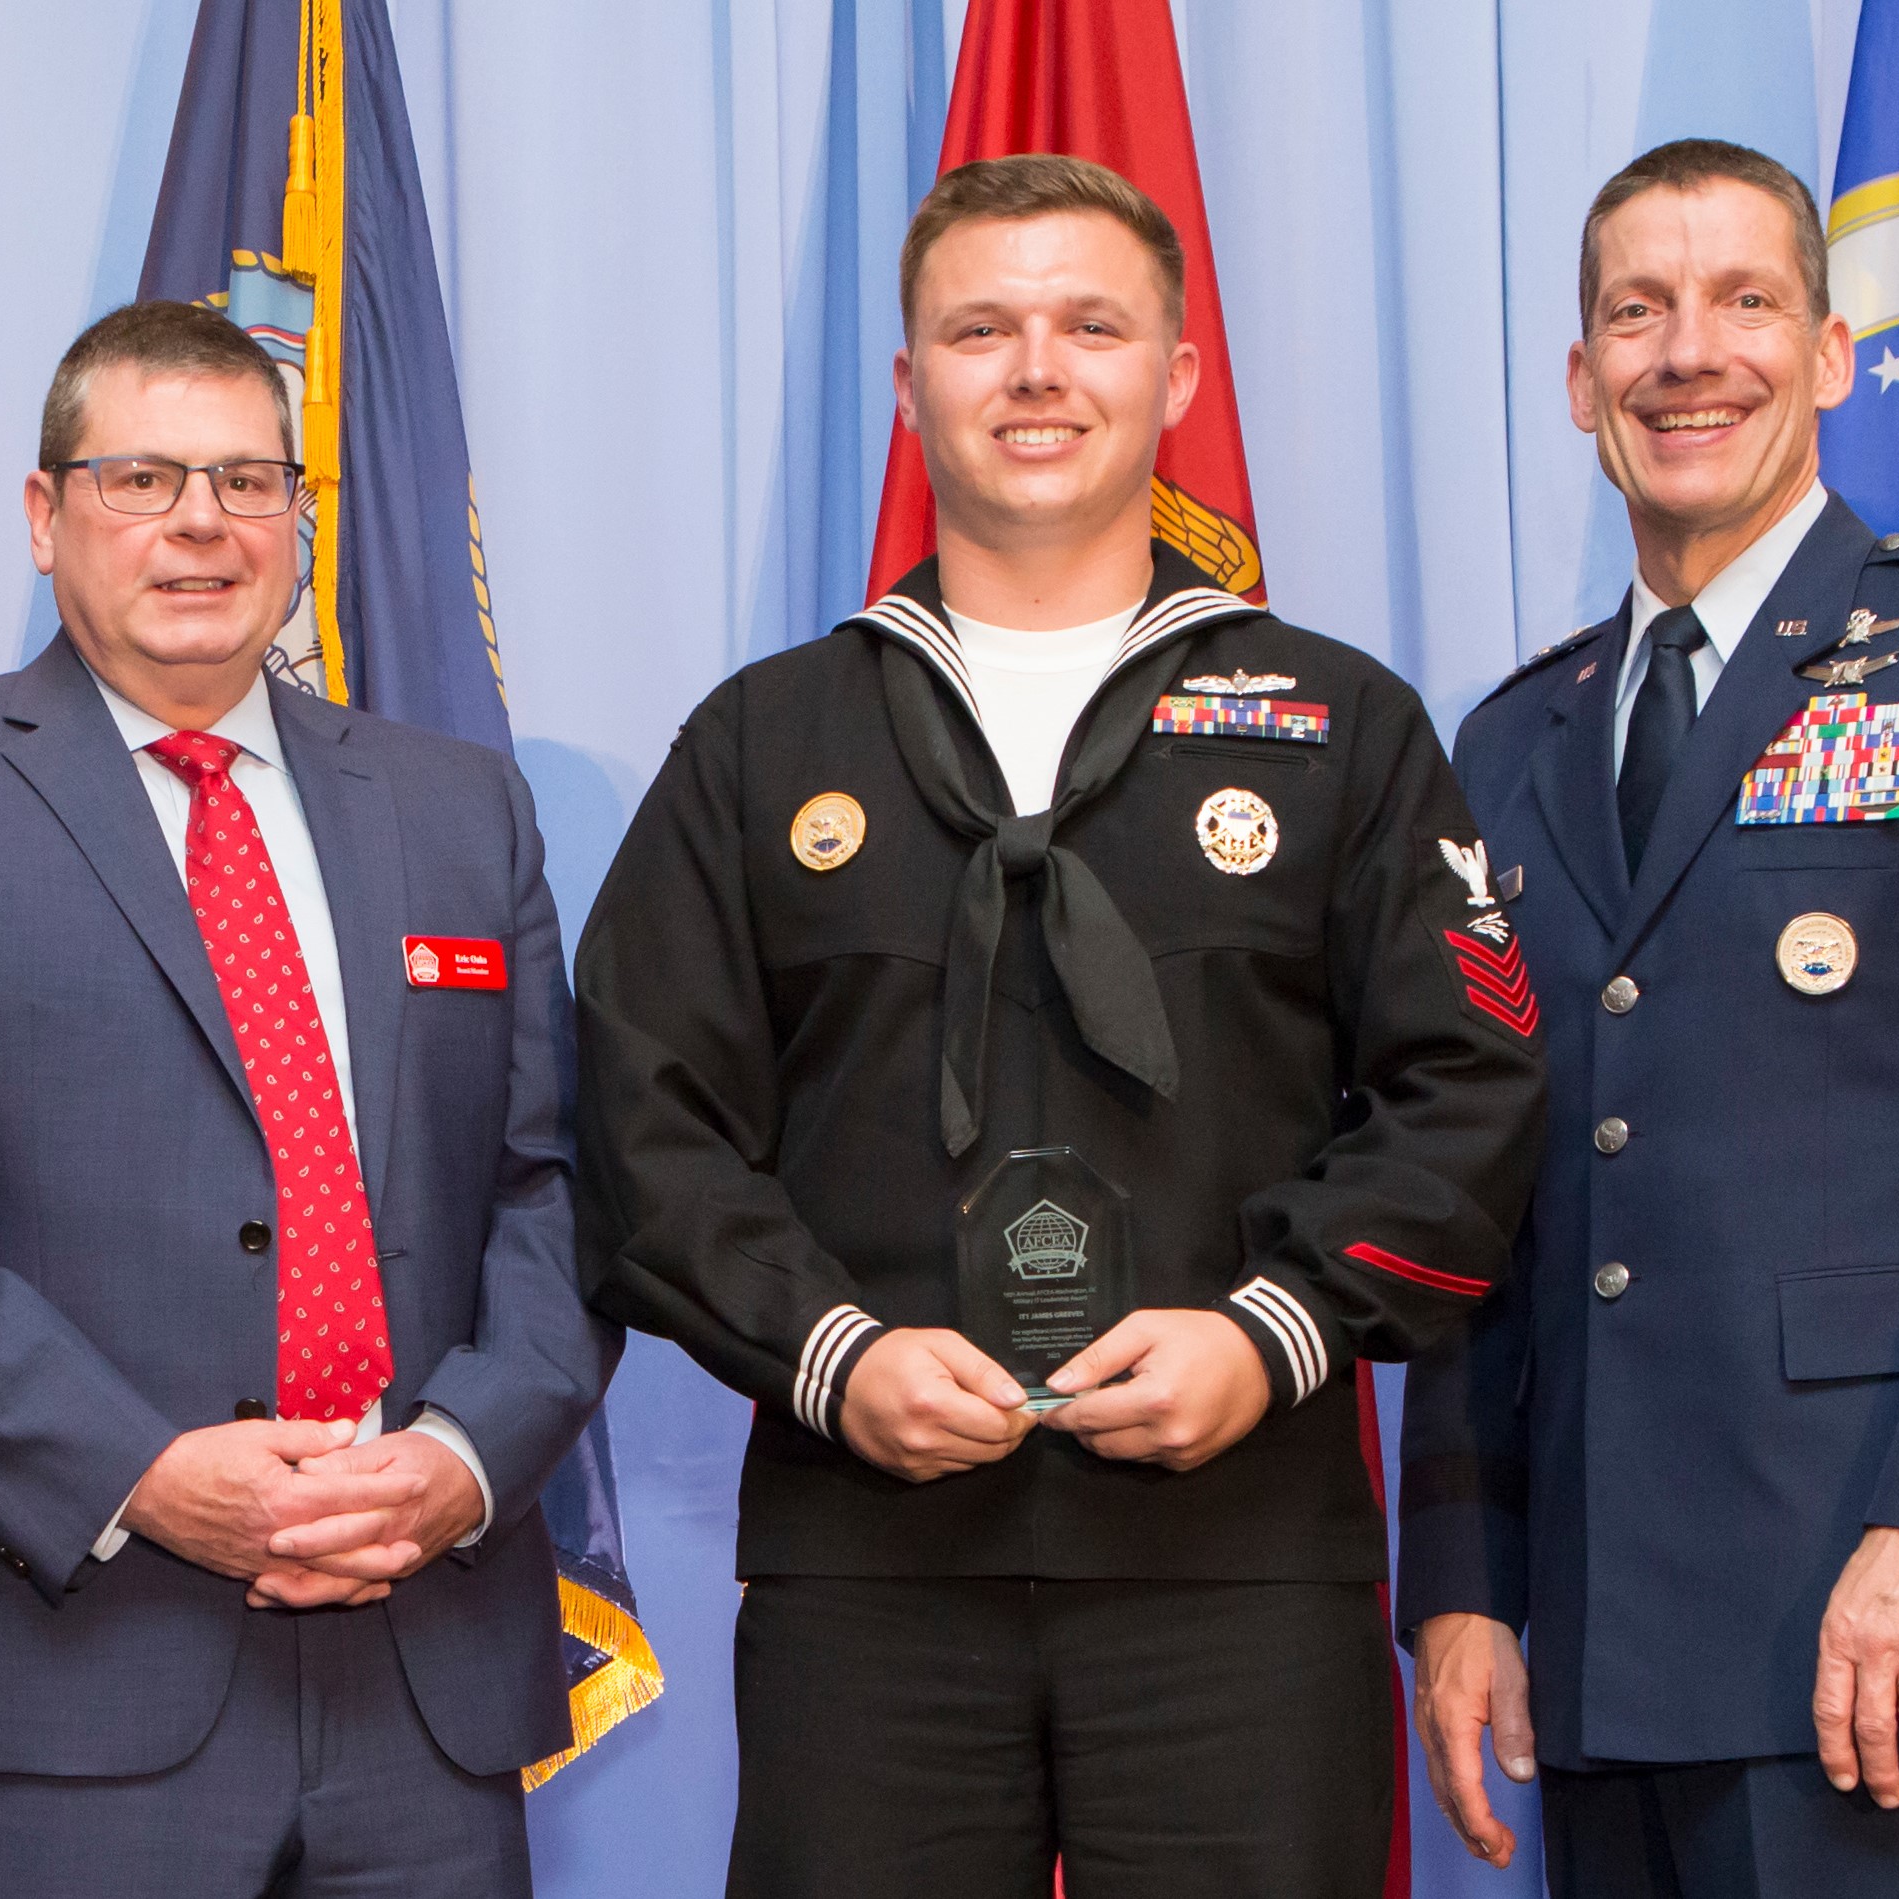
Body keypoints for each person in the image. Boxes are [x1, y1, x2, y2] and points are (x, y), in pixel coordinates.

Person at [576, 153, 1544, 1898]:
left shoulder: (1338, 726)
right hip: (870, 1582)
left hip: (1238, 1576)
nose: (1038, 371)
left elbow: (1472, 1092)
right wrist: (835, 1356)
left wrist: (1271, 1333)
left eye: (1092, 326)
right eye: (982, 329)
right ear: (908, 385)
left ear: (1175, 377)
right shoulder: (763, 742)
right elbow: (643, 1119)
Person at [1395, 139, 1899, 1897]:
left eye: (1746, 301)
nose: (1692, 353)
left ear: (1830, 355)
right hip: (1600, 1646)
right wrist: (1462, 1579)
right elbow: (1473, 1200)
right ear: (1583, 378)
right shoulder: (1515, 746)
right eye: (1639, 312)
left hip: (1880, 1621)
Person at [0, 299, 596, 1896]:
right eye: (140, 479)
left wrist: (464, 1461)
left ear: (297, 520)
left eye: (248, 480)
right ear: (44, 515)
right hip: (72, 1668)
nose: (201, 523)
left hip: (424, 1679)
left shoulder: (458, 808)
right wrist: (140, 1472)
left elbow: (548, 1191)